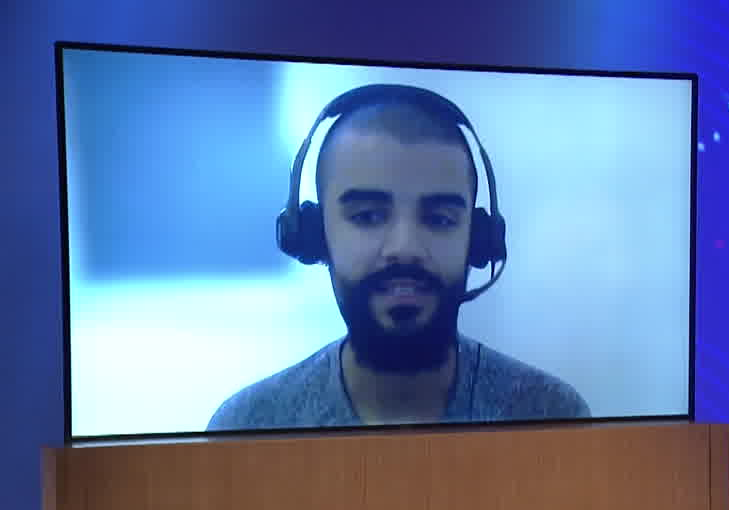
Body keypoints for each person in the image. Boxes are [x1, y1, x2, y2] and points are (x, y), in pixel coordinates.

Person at [208, 85, 590, 431]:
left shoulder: (552, 416)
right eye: (367, 217)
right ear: (315, 235)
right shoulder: (247, 427)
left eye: (439, 219)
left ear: (477, 239)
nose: (405, 247)